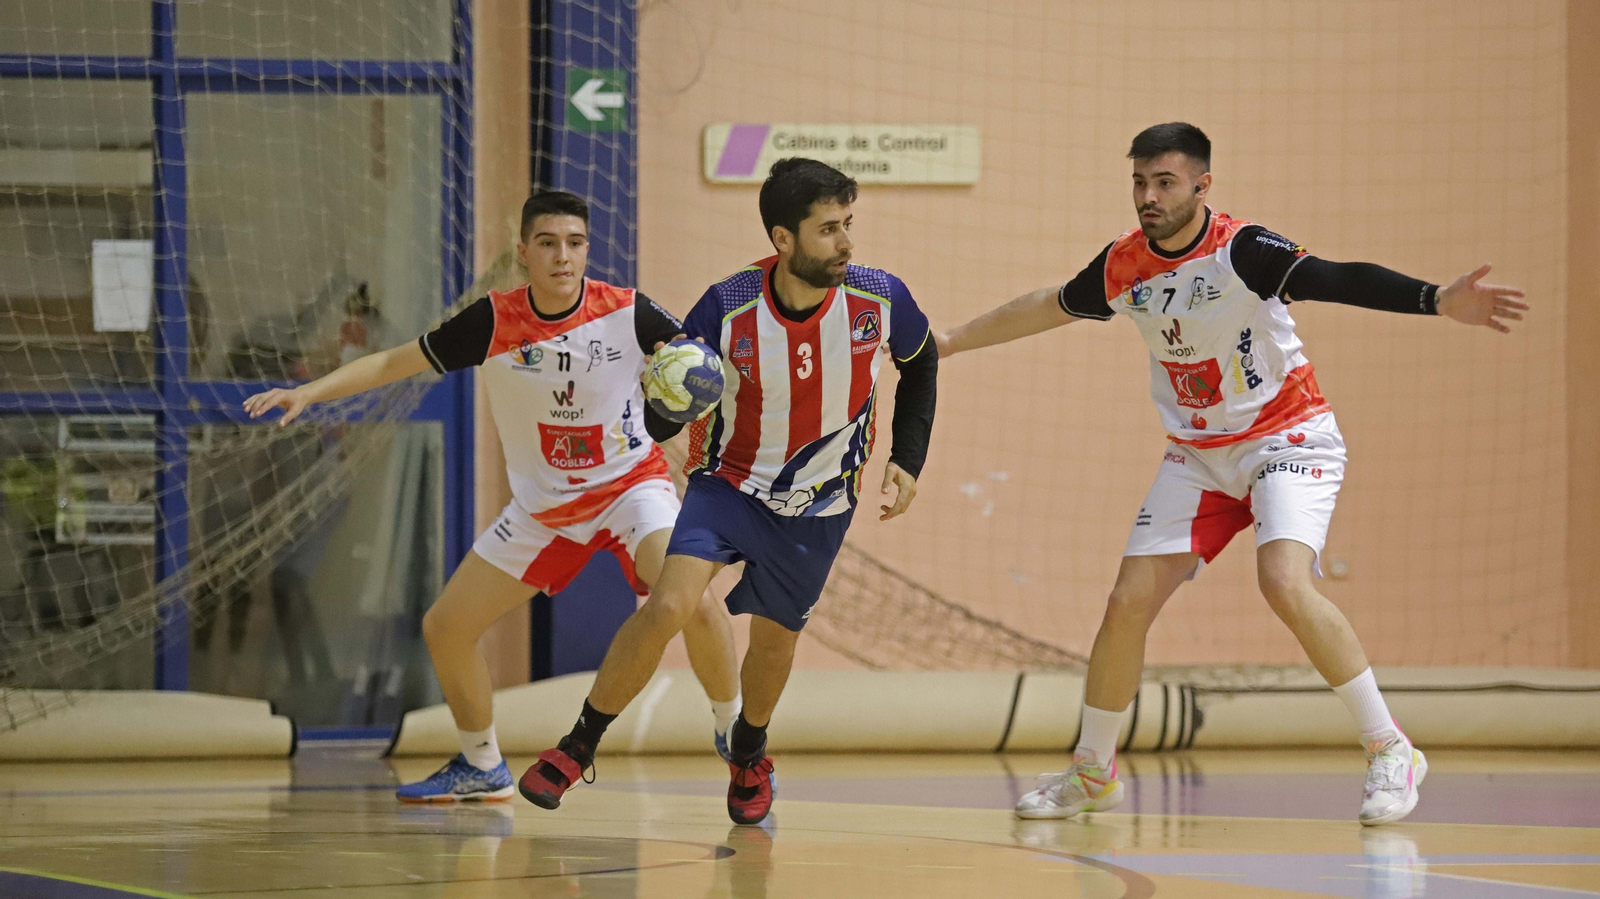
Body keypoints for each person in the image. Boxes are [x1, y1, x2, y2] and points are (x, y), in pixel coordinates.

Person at [937, 123, 1527, 826]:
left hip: (1288, 437)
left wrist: (1435, 299)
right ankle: (1093, 771)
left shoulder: (1243, 250)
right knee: (1126, 602)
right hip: (1199, 455)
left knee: (1282, 580)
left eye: (1165, 182)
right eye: (1139, 182)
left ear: (1202, 185)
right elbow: (1049, 304)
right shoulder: (1124, 264)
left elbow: (1337, 277)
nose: (1149, 197)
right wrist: (952, 342)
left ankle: (1390, 747)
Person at [243, 190, 743, 802]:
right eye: (548, 243)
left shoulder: (629, 312)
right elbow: (391, 364)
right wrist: (308, 392)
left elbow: (697, 369)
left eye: (575, 243)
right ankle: (482, 765)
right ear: (523, 252)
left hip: (630, 488)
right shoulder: (491, 322)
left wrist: (682, 393)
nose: (563, 256)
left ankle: (734, 729)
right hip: (544, 510)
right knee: (445, 628)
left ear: (587, 250)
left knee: (690, 599)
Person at [517, 159, 939, 825]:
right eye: (829, 228)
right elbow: (660, 422)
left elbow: (922, 362)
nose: (846, 242)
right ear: (783, 239)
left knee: (774, 643)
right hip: (729, 484)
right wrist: (672, 398)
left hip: (820, 501)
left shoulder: (879, 297)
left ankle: (748, 754)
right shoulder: (727, 304)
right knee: (668, 604)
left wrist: (907, 458)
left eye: (847, 224)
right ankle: (578, 744)